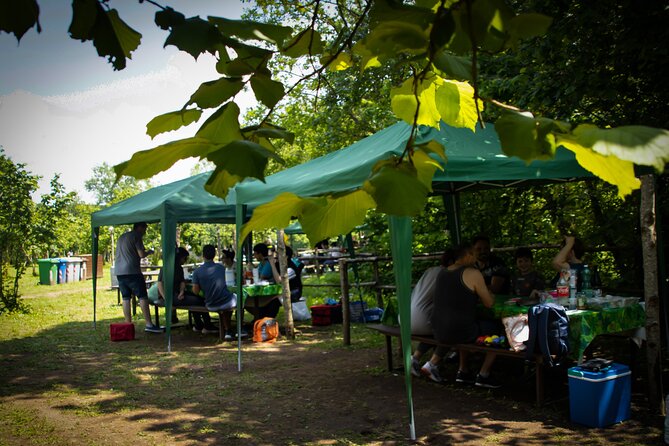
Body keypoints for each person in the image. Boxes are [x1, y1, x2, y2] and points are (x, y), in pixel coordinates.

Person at [421, 242, 503, 388]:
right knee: (499, 329)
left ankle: (463, 371)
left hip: (437, 328)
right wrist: (490, 295)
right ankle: (484, 374)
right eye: (473, 253)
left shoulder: (443, 272)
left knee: (465, 323)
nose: (476, 257)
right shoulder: (472, 273)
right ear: (467, 255)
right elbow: (489, 303)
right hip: (460, 331)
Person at [410, 249, 455, 377]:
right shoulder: (448, 274)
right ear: (453, 262)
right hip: (422, 320)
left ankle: (415, 358)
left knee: (437, 327)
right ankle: (432, 365)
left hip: (405, 318)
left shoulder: (430, 270)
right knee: (451, 331)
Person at [157, 247, 218, 334]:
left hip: (178, 294)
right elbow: (160, 284)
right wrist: (167, 300)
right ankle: (206, 325)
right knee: (199, 301)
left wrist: (182, 292)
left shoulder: (179, 268)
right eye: (185, 258)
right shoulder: (167, 267)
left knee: (197, 297)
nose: (185, 260)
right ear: (180, 257)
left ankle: (199, 325)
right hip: (168, 297)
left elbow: (182, 282)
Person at [115, 222, 161, 333]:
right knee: (142, 296)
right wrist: (149, 252)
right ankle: (149, 324)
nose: (145, 232)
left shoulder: (122, 237)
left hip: (119, 272)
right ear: (139, 228)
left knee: (126, 297)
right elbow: (141, 254)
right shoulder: (136, 236)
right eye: (145, 229)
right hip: (132, 271)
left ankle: (128, 324)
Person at [191, 245, 238, 340]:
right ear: (215, 254)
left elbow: (195, 291)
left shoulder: (197, 272)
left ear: (203, 255)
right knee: (240, 297)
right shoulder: (221, 268)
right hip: (227, 301)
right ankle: (237, 329)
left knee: (225, 302)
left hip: (210, 303)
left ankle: (228, 329)